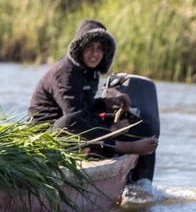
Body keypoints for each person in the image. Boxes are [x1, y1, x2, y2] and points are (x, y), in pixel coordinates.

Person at [28, 19, 158, 158]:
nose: (94, 54)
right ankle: (126, 147)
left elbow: (85, 106)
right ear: (79, 49)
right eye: (89, 47)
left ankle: (140, 178)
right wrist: (110, 130)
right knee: (70, 121)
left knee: (144, 129)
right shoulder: (64, 73)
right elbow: (76, 115)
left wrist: (106, 102)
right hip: (47, 138)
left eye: (99, 49)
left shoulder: (90, 72)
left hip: (76, 131)